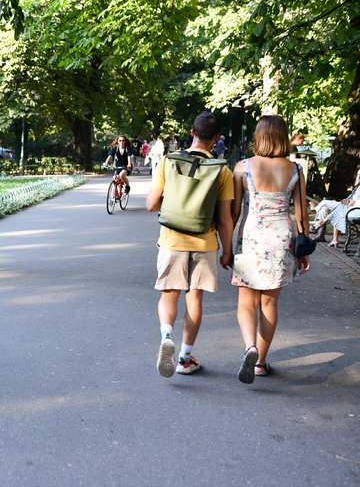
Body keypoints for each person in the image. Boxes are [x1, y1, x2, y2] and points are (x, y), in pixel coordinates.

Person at [146, 112, 234, 377]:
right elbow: (225, 219)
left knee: (169, 293)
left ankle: (166, 337)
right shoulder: (222, 170)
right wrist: (227, 251)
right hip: (205, 241)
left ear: (191, 131)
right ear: (216, 138)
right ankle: (184, 357)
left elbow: (151, 204)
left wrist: (174, 206)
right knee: (194, 298)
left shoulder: (168, 161)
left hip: (172, 239)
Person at [230, 115, 311, 383]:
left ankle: (249, 347)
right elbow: (302, 214)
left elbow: (233, 211)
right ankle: (261, 363)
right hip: (281, 238)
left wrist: (226, 246)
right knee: (269, 301)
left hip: (253, 235)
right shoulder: (296, 170)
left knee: (246, 301)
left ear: (259, 136)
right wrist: (304, 249)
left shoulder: (243, 167)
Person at [310, 167, 360, 246]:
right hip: (347, 206)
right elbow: (351, 200)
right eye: (358, 175)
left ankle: (316, 217)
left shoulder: (359, 188)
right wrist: (340, 201)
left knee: (325, 202)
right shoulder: (357, 187)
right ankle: (321, 235)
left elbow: (352, 203)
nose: (358, 177)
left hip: (350, 208)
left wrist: (342, 202)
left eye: (359, 175)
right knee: (324, 208)